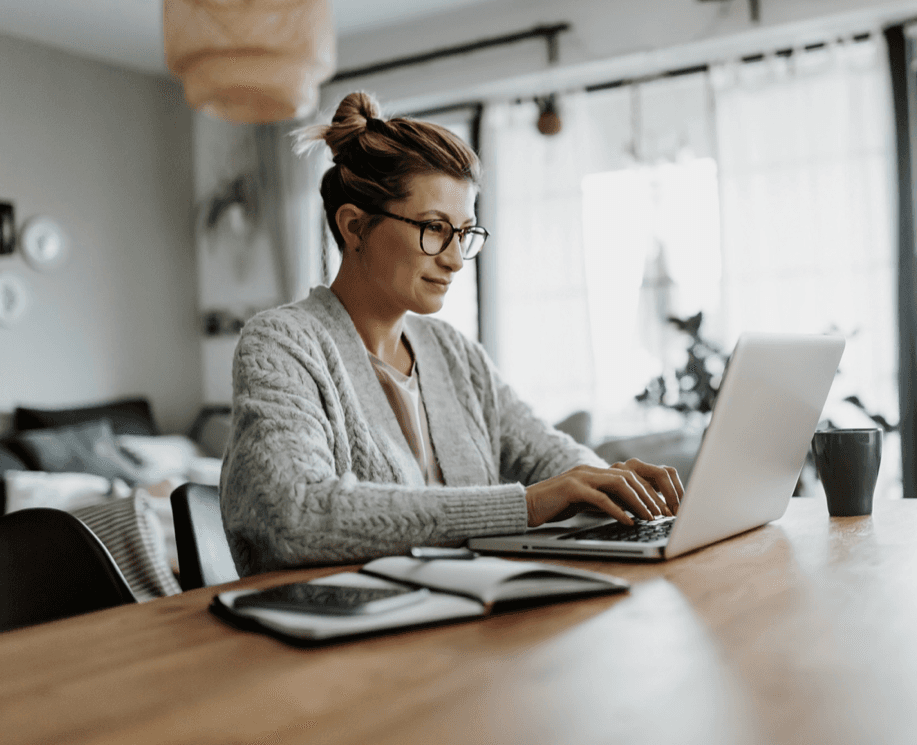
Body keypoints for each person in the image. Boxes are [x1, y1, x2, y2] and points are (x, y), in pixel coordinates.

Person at [220, 91, 683, 576]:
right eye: (435, 228)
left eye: (465, 233)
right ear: (355, 227)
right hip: (338, 633)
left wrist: (612, 485)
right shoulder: (282, 343)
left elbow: (548, 455)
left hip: (463, 617)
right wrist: (524, 506)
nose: (456, 259)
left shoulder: (453, 352)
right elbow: (296, 513)